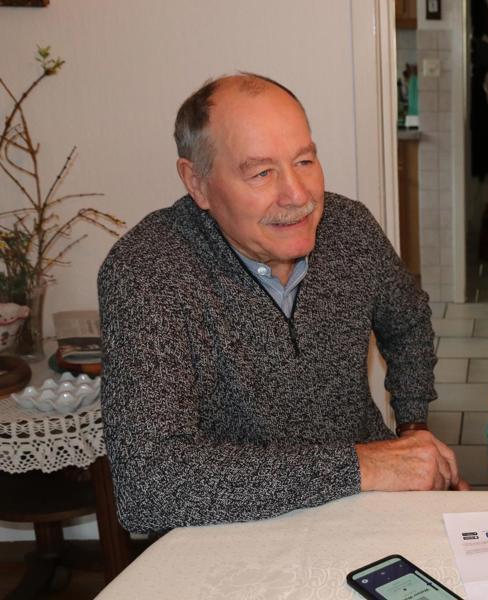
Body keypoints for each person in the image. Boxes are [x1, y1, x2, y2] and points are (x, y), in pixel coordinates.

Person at [99, 74, 467, 533]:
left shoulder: (350, 228)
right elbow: (148, 486)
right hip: (230, 534)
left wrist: (413, 427)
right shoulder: (149, 270)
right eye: (261, 172)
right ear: (197, 182)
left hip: (367, 513)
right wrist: (363, 466)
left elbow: (408, 322)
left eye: (305, 160)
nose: (299, 196)